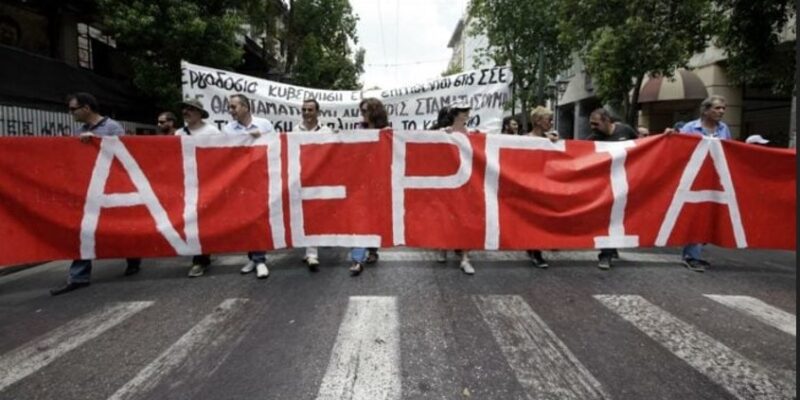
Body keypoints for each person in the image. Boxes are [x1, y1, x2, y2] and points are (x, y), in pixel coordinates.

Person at [50, 93, 140, 296]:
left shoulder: (113, 127)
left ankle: (133, 255)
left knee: (121, 227)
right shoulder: (79, 131)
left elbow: (125, 153)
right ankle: (79, 276)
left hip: (112, 187)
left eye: (73, 109)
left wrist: (97, 141)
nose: (71, 113)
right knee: (84, 229)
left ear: (87, 108)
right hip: (88, 188)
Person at [675, 95, 731, 272]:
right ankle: (692, 256)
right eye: (717, 108)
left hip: (716, 179)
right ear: (705, 110)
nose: (721, 111)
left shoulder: (724, 129)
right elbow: (678, 150)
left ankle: (694, 249)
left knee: (709, 216)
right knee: (697, 215)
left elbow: (729, 151)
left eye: (723, 108)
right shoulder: (690, 128)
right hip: (694, 179)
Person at [222, 94, 275, 279]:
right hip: (240, 180)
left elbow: (275, 146)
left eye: (233, 107)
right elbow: (225, 154)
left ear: (245, 107)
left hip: (261, 177)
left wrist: (260, 138)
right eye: (230, 107)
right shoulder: (228, 129)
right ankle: (254, 258)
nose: (230, 111)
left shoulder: (264, 125)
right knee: (247, 219)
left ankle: (259, 260)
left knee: (258, 217)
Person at [174, 99, 222, 277]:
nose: (186, 112)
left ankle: (200, 260)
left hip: (206, 182)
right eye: (184, 109)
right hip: (186, 183)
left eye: (190, 109)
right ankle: (203, 253)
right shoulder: (179, 133)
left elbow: (220, 157)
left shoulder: (212, 132)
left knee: (202, 220)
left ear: (200, 113)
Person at [586, 107, 637, 270]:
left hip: (625, 182)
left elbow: (642, 146)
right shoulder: (593, 139)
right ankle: (606, 254)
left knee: (619, 217)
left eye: (596, 124)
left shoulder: (626, 130)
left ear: (607, 120)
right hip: (605, 185)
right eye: (591, 124)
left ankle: (612, 246)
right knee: (606, 218)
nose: (592, 127)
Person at [292, 98, 333, 271]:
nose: (306, 113)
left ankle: (311, 252)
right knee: (305, 214)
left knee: (315, 214)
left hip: (320, 178)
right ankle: (310, 251)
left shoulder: (326, 131)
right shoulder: (295, 130)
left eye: (310, 110)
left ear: (318, 112)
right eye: (304, 110)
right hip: (301, 177)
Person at [435, 101, 476, 275]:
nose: (466, 113)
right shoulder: (443, 133)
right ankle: (443, 247)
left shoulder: (474, 134)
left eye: (467, 110)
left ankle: (465, 258)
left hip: (468, 182)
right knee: (446, 216)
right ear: (454, 114)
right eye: (462, 110)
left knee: (466, 219)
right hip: (448, 182)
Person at [349, 98, 388, 276]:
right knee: (360, 220)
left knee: (374, 219)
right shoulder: (358, 130)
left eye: (365, 111)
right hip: (360, 182)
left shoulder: (387, 132)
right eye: (361, 111)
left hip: (379, 182)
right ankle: (357, 259)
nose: (362, 114)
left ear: (375, 112)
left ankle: (372, 250)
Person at [522, 106, 562, 268]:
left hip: (546, 184)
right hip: (529, 185)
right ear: (538, 121)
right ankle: (535, 250)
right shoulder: (524, 139)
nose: (551, 123)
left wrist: (556, 143)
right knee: (533, 218)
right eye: (548, 120)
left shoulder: (551, 139)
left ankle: (535, 247)